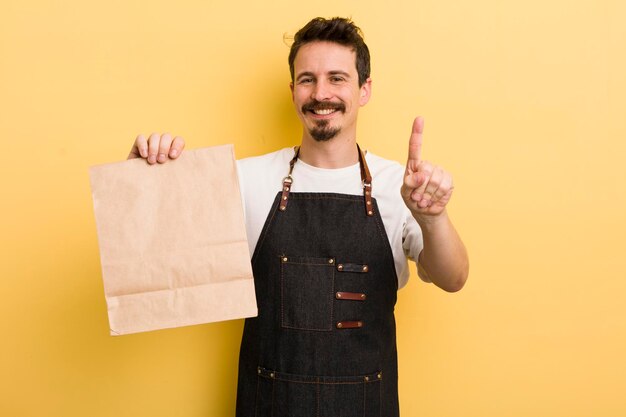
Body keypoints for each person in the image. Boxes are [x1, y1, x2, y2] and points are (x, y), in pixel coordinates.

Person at [128, 17, 468, 417]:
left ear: (364, 89)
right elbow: (159, 256)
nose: (320, 93)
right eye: (307, 79)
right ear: (293, 91)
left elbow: (453, 278)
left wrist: (432, 216)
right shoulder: (246, 178)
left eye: (337, 78)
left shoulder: (401, 185)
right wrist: (144, 178)